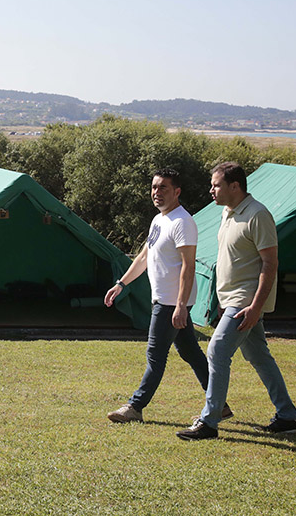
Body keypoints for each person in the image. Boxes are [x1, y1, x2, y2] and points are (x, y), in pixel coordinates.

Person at [177, 162, 296, 441]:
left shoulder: (258, 215)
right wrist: (222, 299)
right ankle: (287, 417)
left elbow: (270, 264)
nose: (211, 189)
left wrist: (256, 307)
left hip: (245, 302)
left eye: (216, 185)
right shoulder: (226, 213)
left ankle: (209, 422)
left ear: (235, 186)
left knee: (217, 350)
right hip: (231, 299)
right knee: (259, 356)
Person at [105, 168, 231, 424]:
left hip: (172, 303)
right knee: (192, 354)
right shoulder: (159, 220)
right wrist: (122, 284)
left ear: (177, 192)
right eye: (154, 187)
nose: (156, 192)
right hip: (166, 301)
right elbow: (144, 257)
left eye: (163, 188)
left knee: (155, 355)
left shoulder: (182, 222)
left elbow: (188, 266)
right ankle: (220, 405)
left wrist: (181, 305)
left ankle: (135, 407)